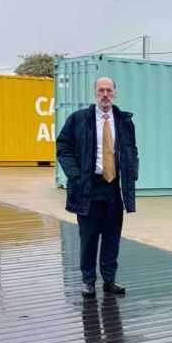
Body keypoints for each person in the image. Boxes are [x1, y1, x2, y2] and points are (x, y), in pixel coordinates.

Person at [56, 77, 139, 297]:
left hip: (113, 187)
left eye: (109, 90)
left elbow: (132, 150)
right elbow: (62, 147)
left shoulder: (124, 121)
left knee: (112, 237)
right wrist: (74, 176)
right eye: (101, 90)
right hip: (88, 188)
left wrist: (133, 172)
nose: (105, 94)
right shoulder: (78, 119)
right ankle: (88, 281)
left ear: (115, 93)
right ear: (95, 92)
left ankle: (109, 280)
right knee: (89, 237)